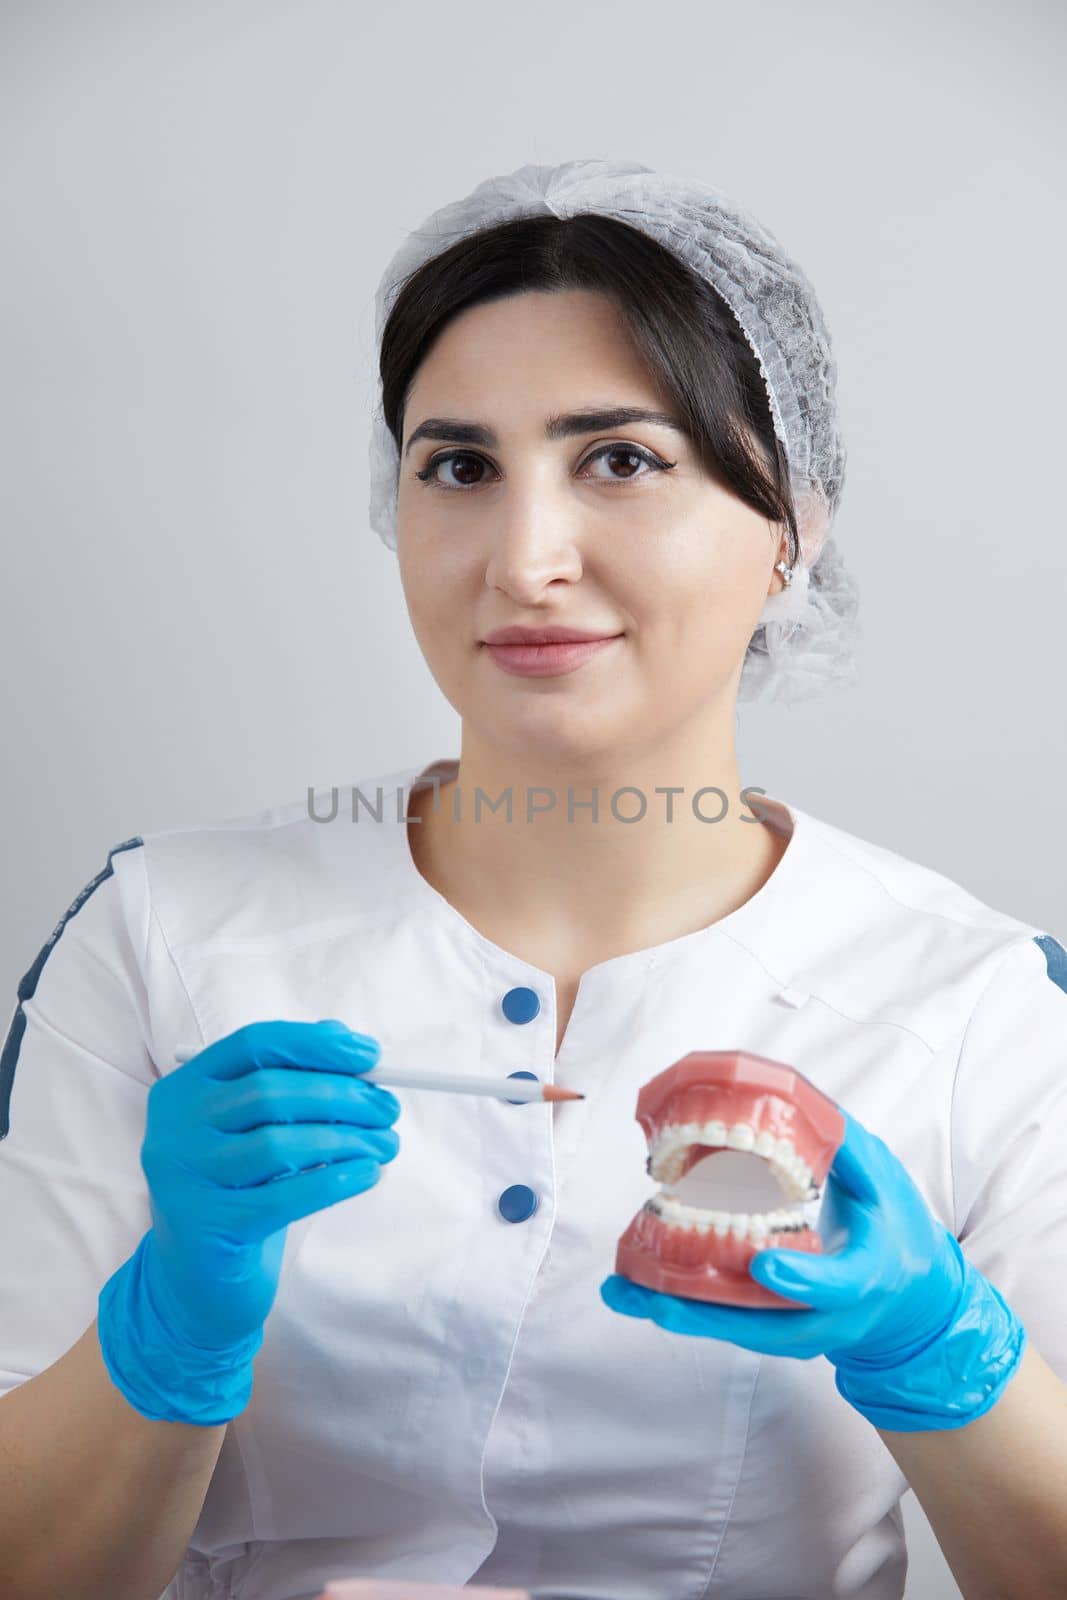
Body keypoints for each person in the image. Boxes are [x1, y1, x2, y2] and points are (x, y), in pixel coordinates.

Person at [1, 157, 1065, 1600]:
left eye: (621, 459)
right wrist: (163, 1332)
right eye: (459, 467)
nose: (524, 557)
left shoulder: (975, 1008)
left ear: (793, 526)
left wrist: (943, 1359)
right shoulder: (165, 934)